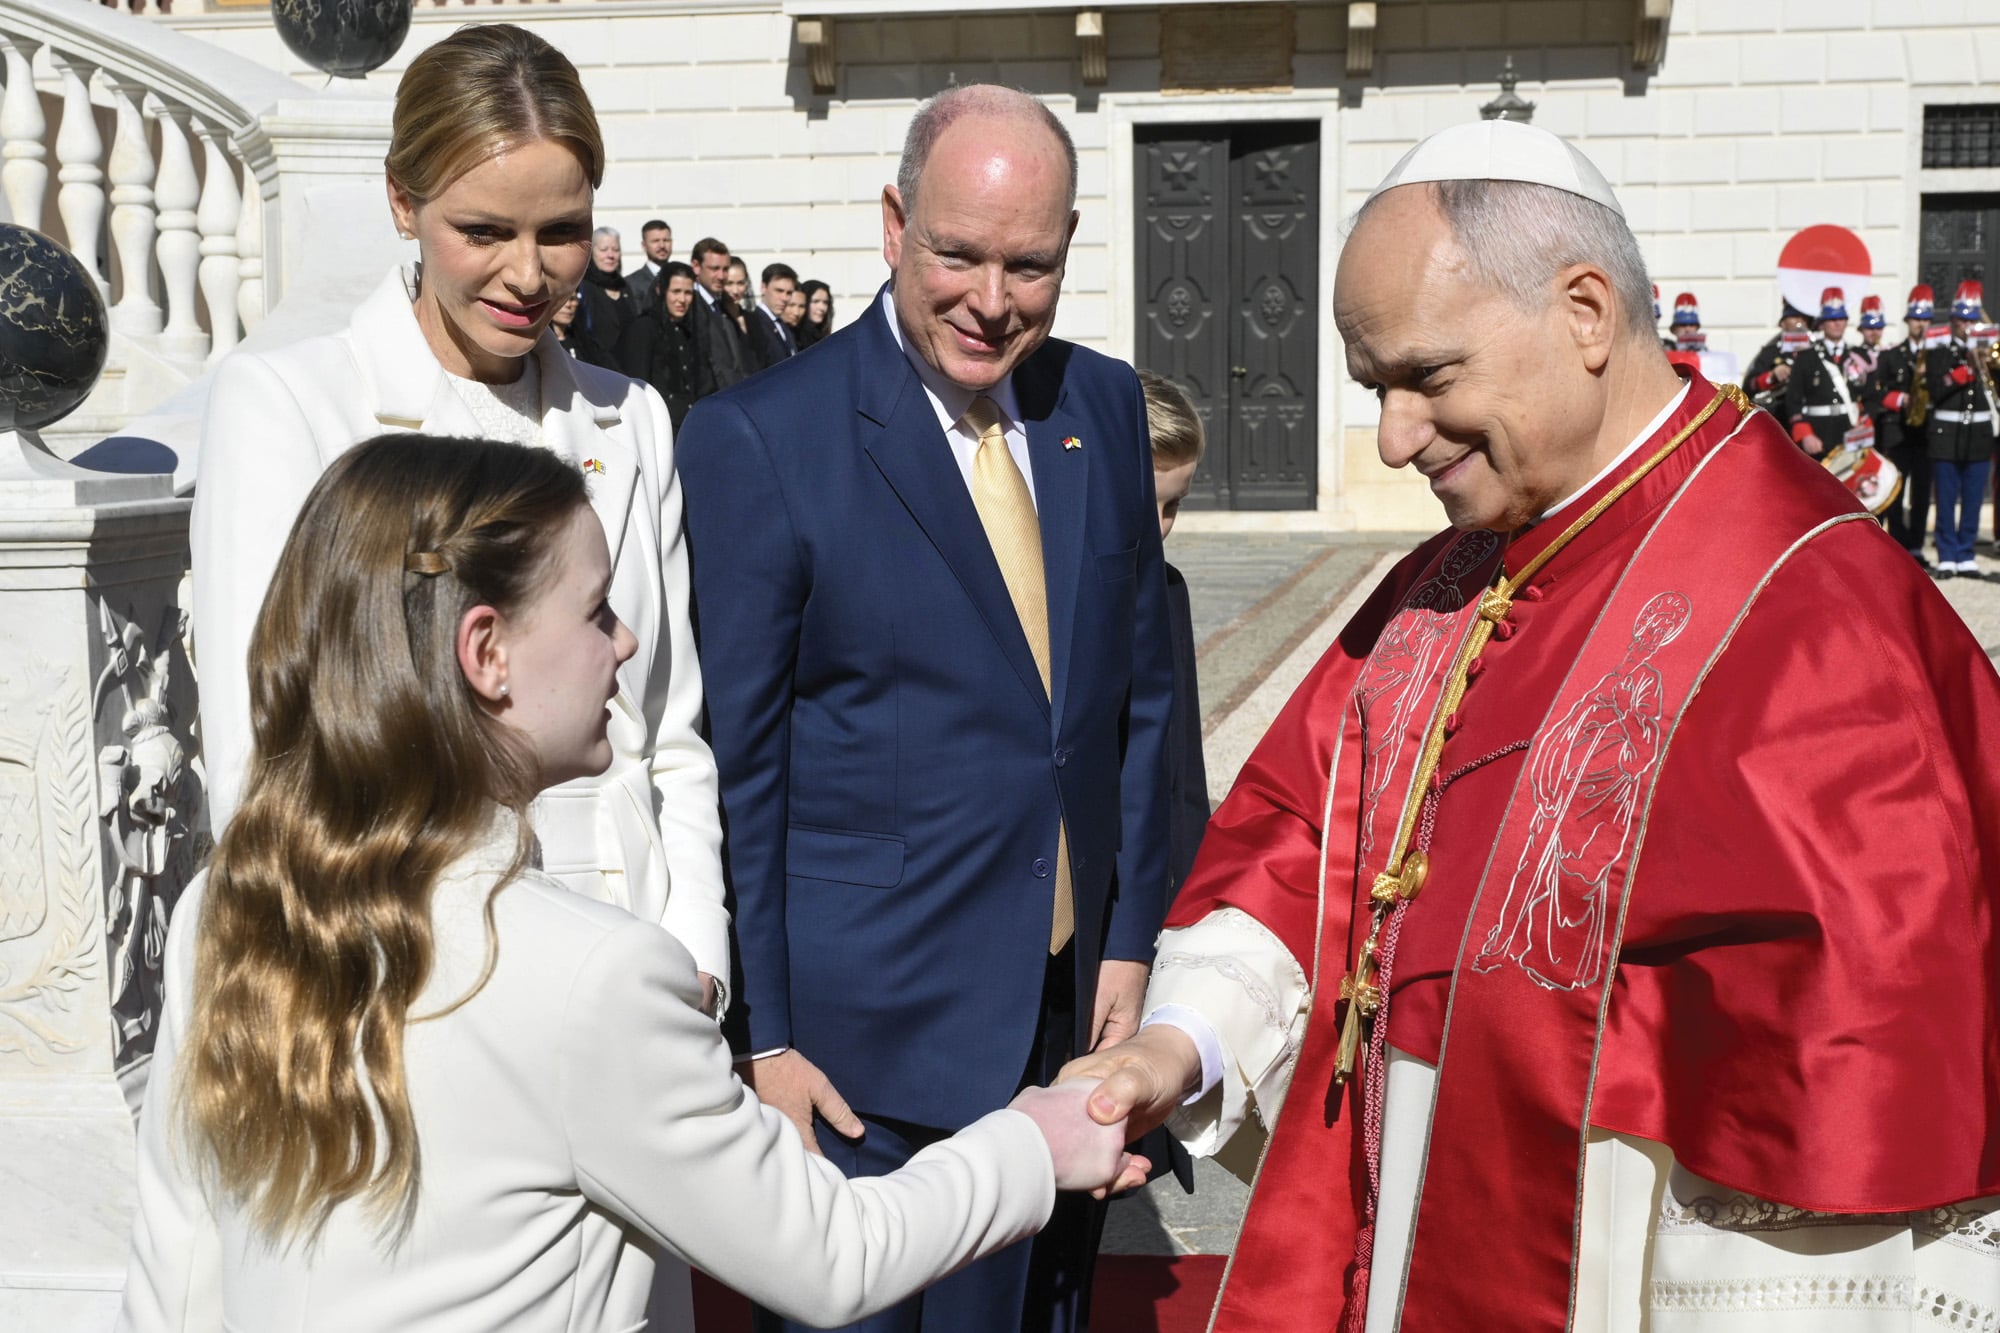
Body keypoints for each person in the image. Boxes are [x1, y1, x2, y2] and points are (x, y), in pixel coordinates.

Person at [1065, 120, 2000, 1329]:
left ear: (1582, 310)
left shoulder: (1812, 610)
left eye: (1427, 378)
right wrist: (1177, 1044)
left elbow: (1846, 1083)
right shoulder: (1444, 580)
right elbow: (1310, 838)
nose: (1395, 438)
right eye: (1373, 390)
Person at [119, 435, 1147, 1333]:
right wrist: (1034, 1140)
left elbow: (176, 1265)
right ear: (487, 650)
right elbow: (833, 1256)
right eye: (596, 609)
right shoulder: (588, 978)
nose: (627, 641)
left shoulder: (233, 898)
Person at [675, 84, 1174, 1333]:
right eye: (956, 253)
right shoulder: (762, 438)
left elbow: (1141, 704)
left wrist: (1125, 938)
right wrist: (765, 1039)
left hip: (1068, 1025)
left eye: (1029, 265)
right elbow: (741, 762)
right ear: (893, 222)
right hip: (862, 1059)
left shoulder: (1101, 410)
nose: (991, 301)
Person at [190, 25, 731, 1025]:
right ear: (403, 202)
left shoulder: (634, 418)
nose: (528, 276)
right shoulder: (290, 404)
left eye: (561, 231)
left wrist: (696, 951)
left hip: (637, 972)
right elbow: (260, 756)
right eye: (483, 232)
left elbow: (668, 731)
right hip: (416, 986)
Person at [1137, 369, 1210, 895]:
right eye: (1148, 502)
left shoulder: (1169, 589)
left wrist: (1192, 880)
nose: (1160, 525)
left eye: (1175, 505)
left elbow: (1183, 759)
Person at [1927, 280, 1998, 580]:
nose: (1967, 326)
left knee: (1972, 496)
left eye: (1971, 320)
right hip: (1947, 434)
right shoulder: (1939, 351)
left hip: (1979, 433)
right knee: (1945, 496)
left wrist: (1985, 363)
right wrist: (1961, 372)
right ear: (1953, 320)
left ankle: (1966, 553)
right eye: (1962, 320)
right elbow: (1934, 387)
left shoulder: (1988, 352)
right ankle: (1947, 554)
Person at [1864, 283, 1939, 563]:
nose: (1920, 324)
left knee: (1921, 494)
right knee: (1894, 491)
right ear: (1908, 322)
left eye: (1924, 320)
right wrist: (1899, 399)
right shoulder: (1891, 355)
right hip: (1895, 434)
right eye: (1915, 319)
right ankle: (1897, 543)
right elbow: (1872, 393)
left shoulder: (1937, 357)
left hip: (1926, 435)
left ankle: (1916, 545)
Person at [618, 260, 703, 431]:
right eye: (676, 291)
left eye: (688, 293)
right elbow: (638, 381)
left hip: (687, 423)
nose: (682, 299)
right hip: (659, 424)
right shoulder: (644, 327)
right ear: (661, 290)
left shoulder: (688, 328)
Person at [1781, 285, 1857, 456]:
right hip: (1818, 433)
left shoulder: (1857, 355)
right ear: (1822, 323)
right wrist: (1805, 434)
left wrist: (1864, 424)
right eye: (1831, 319)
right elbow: (1793, 401)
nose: (1837, 323)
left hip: (1850, 432)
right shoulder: (1806, 357)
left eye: (1841, 318)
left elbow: (1868, 397)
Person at [689, 236, 756, 395]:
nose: (721, 276)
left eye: (725, 269)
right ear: (696, 267)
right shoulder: (691, 307)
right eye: (714, 268)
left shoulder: (722, 308)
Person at [573, 224, 633, 371]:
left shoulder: (624, 286)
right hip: (599, 368)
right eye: (604, 250)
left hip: (629, 368)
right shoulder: (583, 287)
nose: (610, 255)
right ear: (592, 252)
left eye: (615, 250)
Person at [1744, 300, 1810, 411]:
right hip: (1780, 413)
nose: (1800, 321)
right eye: (1794, 317)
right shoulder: (1771, 352)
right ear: (1782, 323)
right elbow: (1749, 386)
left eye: (1804, 317)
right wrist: (1772, 375)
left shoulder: (1815, 350)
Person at [750, 260, 801, 367]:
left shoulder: (783, 325)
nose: (784, 298)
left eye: (789, 293)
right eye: (779, 291)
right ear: (764, 288)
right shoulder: (754, 323)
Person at [627, 217, 672, 315]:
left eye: (666, 240)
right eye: (655, 241)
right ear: (644, 246)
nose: (662, 245)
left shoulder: (682, 277)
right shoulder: (631, 283)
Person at [798, 278, 834, 349]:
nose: (822, 308)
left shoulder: (823, 336)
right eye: (815, 301)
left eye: (825, 302)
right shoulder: (795, 337)